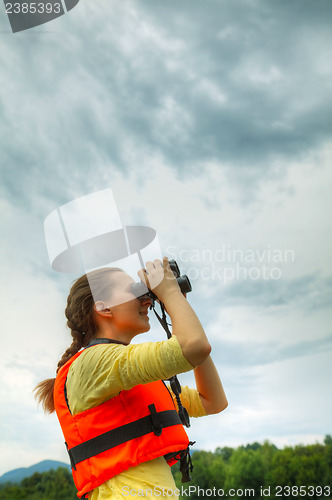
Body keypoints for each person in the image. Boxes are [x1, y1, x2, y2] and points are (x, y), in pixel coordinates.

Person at [34, 257, 228, 499]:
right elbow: (194, 347)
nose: (146, 299)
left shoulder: (128, 379)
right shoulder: (93, 363)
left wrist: (179, 310)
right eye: (133, 291)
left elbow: (212, 401)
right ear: (103, 308)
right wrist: (170, 295)